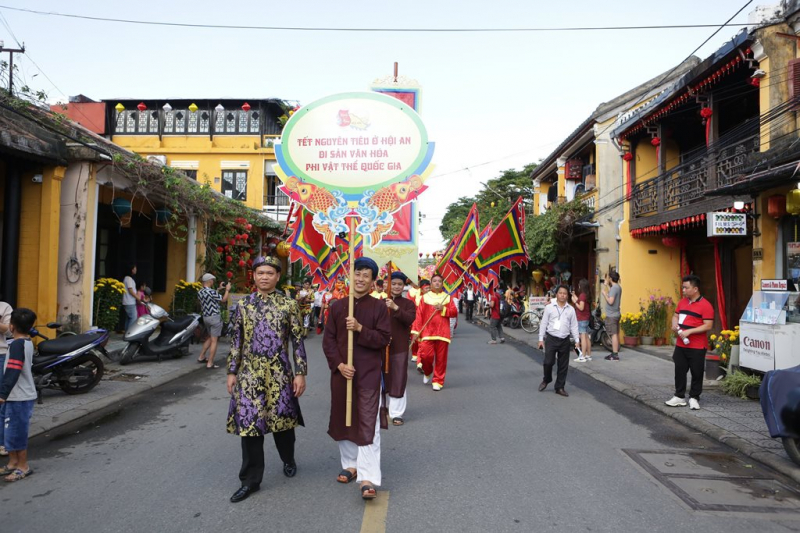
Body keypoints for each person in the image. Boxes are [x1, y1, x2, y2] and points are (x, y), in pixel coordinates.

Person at [226, 256, 307, 503]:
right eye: (260, 272)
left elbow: (297, 340)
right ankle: (250, 481)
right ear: (254, 276)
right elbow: (236, 341)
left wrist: (300, 372)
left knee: (283, 423)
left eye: (269, 273)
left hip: (280, 373)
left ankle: (288, 458)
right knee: (250, 426)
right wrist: (232, 371)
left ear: (277, 276)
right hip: (249, 374)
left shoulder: (288, 304)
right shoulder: (243, 305)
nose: (264, 277)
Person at [323, 257, 391, 501]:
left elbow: (384, 339)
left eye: (366, 275)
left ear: (373, 281)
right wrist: (339, 365)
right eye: (357, 273)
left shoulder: (379, 307)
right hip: (343, 373)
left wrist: (361, 329)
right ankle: (350, 464)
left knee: (367, 422)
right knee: (344, 419)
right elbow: (328, 341)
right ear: (350, 276)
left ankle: (368, 477)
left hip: (368, 374)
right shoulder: (338, 306)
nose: (361, 278)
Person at [665, 275, 714, 411]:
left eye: (686, 287)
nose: (683, 290)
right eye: (683, 287)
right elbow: (676, 315)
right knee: (679, 370)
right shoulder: (682, 302)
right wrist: (674, 324)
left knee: (696, 372)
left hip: (697, 346)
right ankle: (679, 396)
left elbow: (708, 325)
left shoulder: (706, 305)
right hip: (681, 345)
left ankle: (694, 397)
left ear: (695, 288)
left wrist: (689, 332)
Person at [0, 308, 37, 481]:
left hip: (19, 397)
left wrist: (3, 394)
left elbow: (13, 370)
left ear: (12, 326)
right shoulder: (26, 342)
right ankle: (12, 462)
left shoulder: (17, 345)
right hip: (17, 395)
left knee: (17, 432)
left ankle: (23, 466)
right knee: (11, 431)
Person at [384, 271, 416, 426]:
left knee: (398, 377)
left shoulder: (408, 304)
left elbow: (409, 319)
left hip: (400, 346)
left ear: (404, 286)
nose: (396, 287)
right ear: (387, 284)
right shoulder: (378, 302)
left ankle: (396, 413)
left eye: (399, 284)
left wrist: (395, 307)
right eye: (393, 283)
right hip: (379, 346)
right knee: (379, 378)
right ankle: (381, 408)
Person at [415, 273, 457, 391]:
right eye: (435, 281)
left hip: (442, 333)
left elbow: (454, 312)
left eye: (439, 281)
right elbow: (419, 315)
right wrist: (417, 331)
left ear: (442, 283)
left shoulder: (447, 297)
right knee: (425, 356)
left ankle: (438, 380)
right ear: (431, 283)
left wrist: (444, 309)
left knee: (441, 359)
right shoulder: (425, 297)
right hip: (427, 332)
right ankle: (427, 371)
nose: (437, 283)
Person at [537, 285, 580, 397]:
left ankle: (559, 387)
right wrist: (541, 339)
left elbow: (574, 326)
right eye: (560, 293)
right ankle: (547, 379)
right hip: (551, 338)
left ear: (567, 296)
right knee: (548, 362)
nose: (562, 295)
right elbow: (544, 324)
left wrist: (577, 340)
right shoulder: (549, 307)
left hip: (564, 340)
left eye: (564, 293)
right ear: (557, 294)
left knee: (563, 365)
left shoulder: (571, 310)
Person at [197, 273, 231, 369]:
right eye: (212, 280)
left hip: (206, 317)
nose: (213, 282)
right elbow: (224, 300)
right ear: (210, 281)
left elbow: (210, 297)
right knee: (214, 341)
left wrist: (219, 289)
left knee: (210, 337)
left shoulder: (200, 292)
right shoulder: (211, 292)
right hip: (215, 317)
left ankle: (201, 356)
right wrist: (227, 290)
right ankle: (210, 363)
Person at [601, 271, 622, 361]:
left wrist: (604, 294)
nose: (607, 279)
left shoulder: (614, 288)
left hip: (612, 315)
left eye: (608, 278)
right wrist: (606, 286)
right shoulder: (617, 287)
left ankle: (615, 355)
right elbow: (611, 294)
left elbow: (610, 301)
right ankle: (614, 353)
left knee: (613, 335)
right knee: (615, 334)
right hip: (616, 314)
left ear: (611, 278)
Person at [0, 299, 12, 457]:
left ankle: (2, 442)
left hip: (0, 356)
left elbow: (10, 331)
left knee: (1, 401)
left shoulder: (4, 307)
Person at [410, 279, 431, 365]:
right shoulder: (414, 294)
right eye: (426, 288)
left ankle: (420, 361)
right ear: (421, 289)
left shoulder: (432, 296)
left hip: (428, 321)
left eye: (429, 288)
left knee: (424, 342)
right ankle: (415, 354)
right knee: (415, 338)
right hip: (416, 320)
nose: (428, 290)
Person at [571, 278, 592, 362]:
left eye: (579, 284)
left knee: (582, 337)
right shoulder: (586, 294)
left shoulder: (582, 295)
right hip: (586, 318)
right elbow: (580, 301)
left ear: (581, 286)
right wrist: (574, 296)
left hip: (582, 318)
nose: (578, 286)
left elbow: (581, 307)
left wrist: (575, 303)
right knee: (586, 337)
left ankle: (582, 356)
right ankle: (588, 355)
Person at [121, 264, 141, 331]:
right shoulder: (128, 279)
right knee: (133, 318)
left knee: (128, 318)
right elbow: (130, 290)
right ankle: (129, 334)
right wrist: (138, 298)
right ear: (131, 270)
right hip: (130, 302)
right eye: (135, 269)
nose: (136, 270)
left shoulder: (127, 278)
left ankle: (126, 333)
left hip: (127, 301)